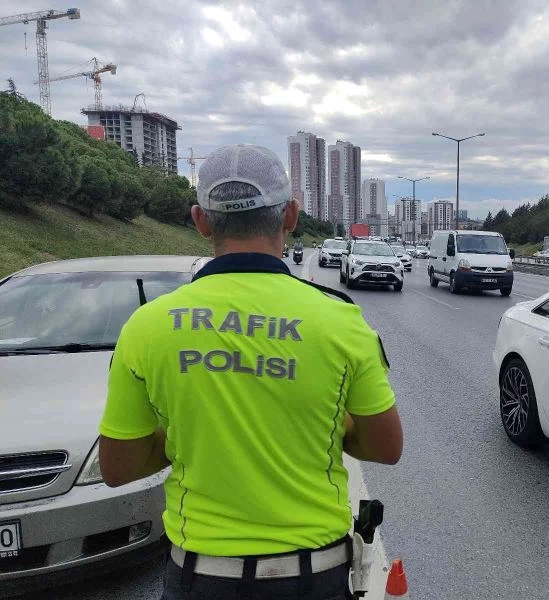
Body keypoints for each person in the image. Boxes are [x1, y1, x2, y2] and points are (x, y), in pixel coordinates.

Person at [98, 144, 403, 600]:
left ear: (201, 221)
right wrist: (321, 426)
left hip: (200, 578)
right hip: (312, 576)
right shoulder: (340, 321)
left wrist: (192, 432)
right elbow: (385, 447)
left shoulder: (147, 326)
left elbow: (118, 466)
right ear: (291, 217)